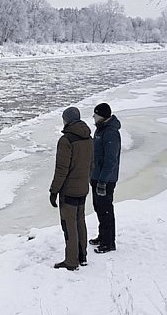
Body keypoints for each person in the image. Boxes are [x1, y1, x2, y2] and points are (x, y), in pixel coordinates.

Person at [49, 106, 93, 271]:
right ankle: (82, 256)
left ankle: (71, 261)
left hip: (69, 191)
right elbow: (91, 165)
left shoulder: (66, 141)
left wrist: (54, 191)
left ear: (67, 120)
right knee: (80, 221)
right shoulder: (88, 138)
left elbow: (61, 170)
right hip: (82, 188)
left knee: (69, 225)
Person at [89, 102, 121, 254]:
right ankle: (102, 237)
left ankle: (109, 243)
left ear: (101, 116)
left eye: (95, 114)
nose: (93, 117)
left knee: (106, 209)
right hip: (97, 177)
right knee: (99, 208)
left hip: (105, 180)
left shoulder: (110, 133)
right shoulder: (100, 130)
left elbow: (111, 160)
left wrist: (102, 181)